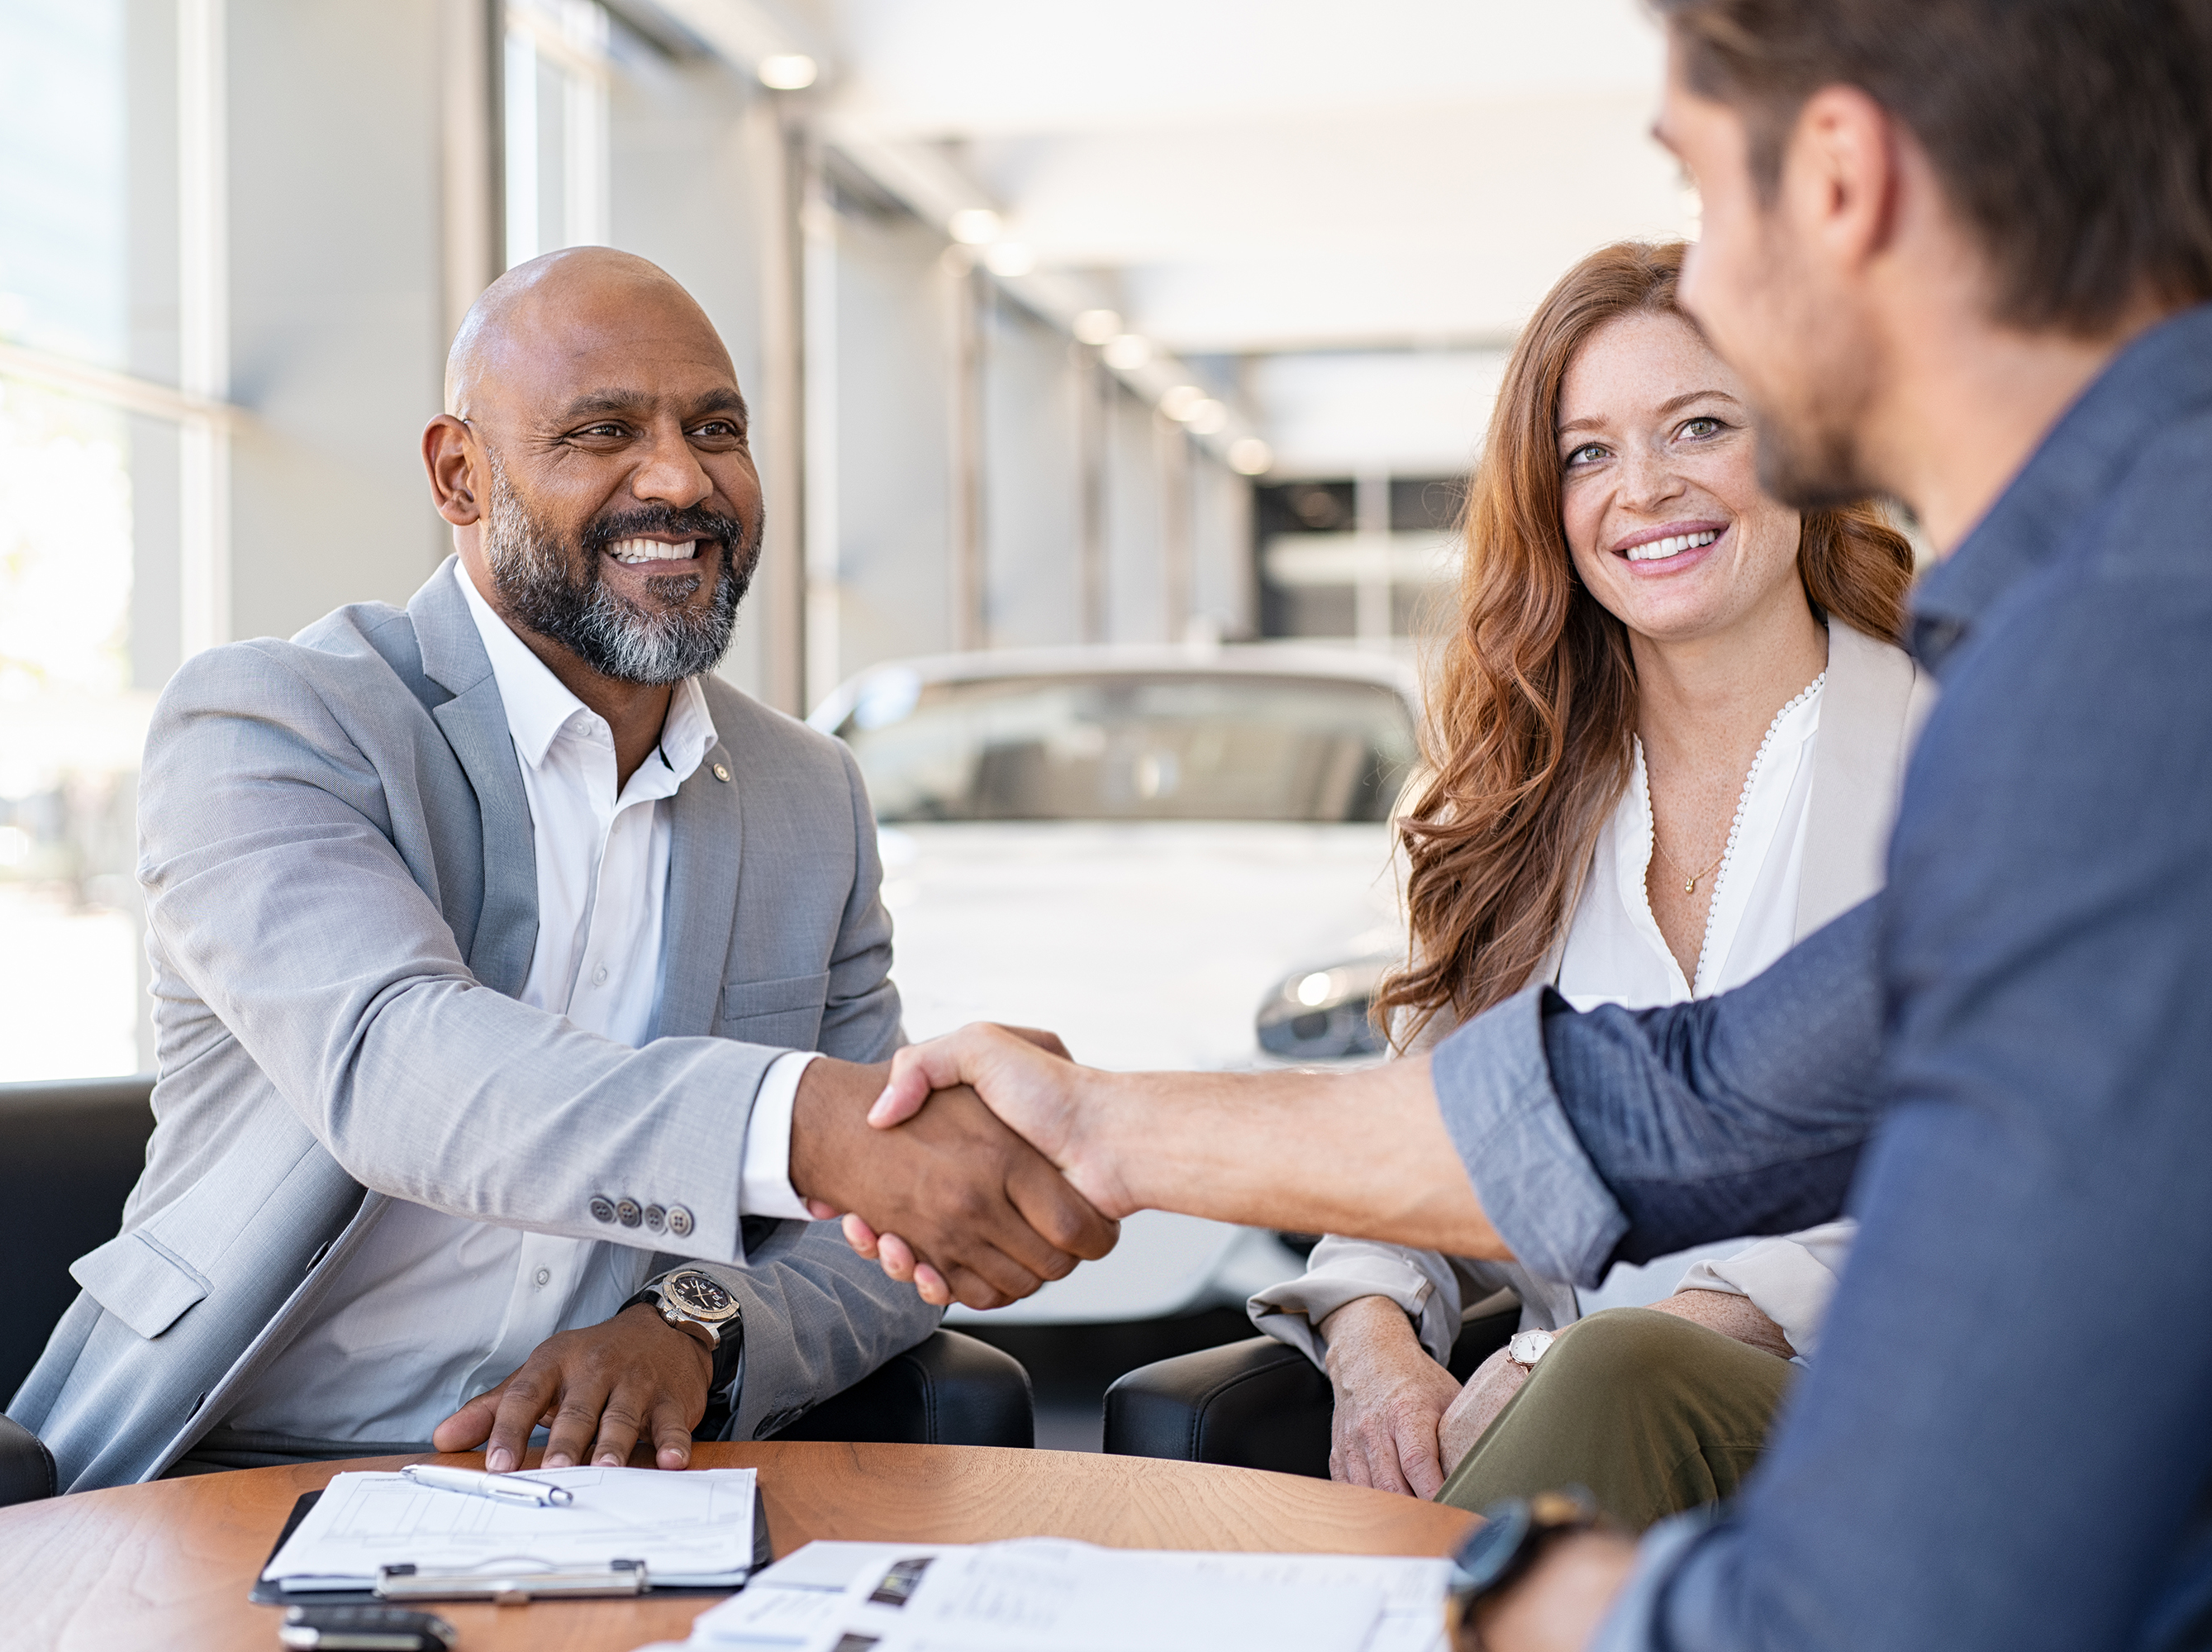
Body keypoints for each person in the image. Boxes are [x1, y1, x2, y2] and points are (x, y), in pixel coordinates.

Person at [848, 1, 2212, 1646]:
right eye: (1591, 452)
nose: (1706, 291)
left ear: (1839, 179)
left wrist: (1507, 1591)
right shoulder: (2091, 626)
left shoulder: (2112, 669)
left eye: (1702, 192)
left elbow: (1902, 1584)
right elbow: (1699, 1105)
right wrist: (1106, 1126)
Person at [9, 248, 1116, 1493]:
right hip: (222, 1458)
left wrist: (693, 1326)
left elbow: (870, 1230)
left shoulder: (810, 795)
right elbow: (396, 1063)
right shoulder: (276, 724)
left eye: (717, 429)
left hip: (604, 1483)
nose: (680, 480)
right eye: (603, 432)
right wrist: (800, 1126)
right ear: (460, 475)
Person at [1245, 239, 1932, 1529]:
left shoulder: (1953, 749)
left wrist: (1568, 1355)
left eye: (1702, 426)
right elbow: (1423, 1134)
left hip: (1884, 1420)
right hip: (1568, 1454)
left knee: (1624, 1366)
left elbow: (1970, 1163)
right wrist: (1375, 1345)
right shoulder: (1522, 799)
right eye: (1588, 453)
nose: (1646, 491)